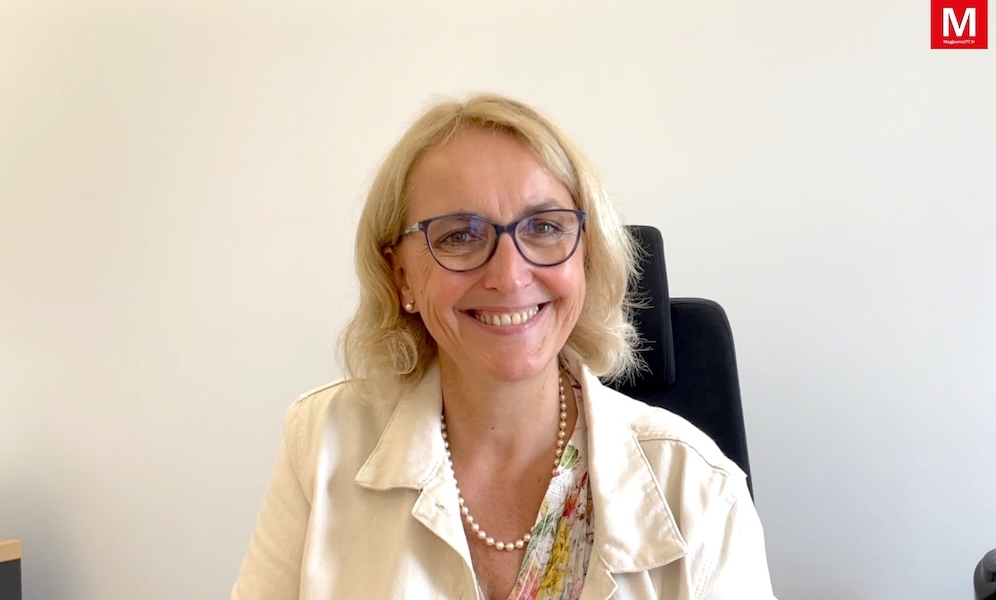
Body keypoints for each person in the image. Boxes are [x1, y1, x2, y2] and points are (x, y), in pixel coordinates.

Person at [231, 94, 776, 600]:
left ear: (585, 257)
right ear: (400, 276)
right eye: (459, 236)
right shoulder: (320, 441)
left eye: (545, 227)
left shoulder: (702, 489)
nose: (510, 276)